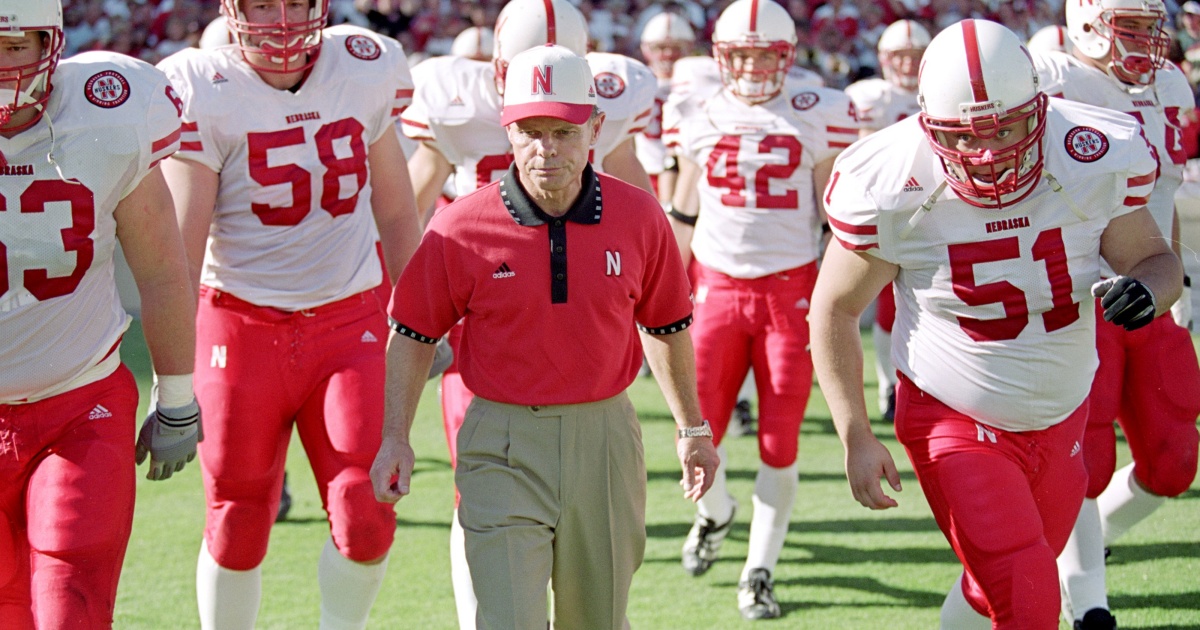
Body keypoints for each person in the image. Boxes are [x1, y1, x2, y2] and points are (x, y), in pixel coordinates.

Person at [810, 19, 1184, 630]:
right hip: (952, 416)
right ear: (930, 125)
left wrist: (1148, 289)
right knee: (1030, 594)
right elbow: (835, 308)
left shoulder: (1089, 152)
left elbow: (1155, 259)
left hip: (1060, 412)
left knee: (997, 589)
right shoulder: (892, 181)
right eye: (963, 137)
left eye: (1006, 128)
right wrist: (855, 431)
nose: (987, 155)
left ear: (1039, 107)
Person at [371, 44, 721, 630]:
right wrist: (394, 438)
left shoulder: (639, 216)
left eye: (563, 130)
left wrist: (692, 429)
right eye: (530, 131)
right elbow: (411, 333)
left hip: (605, 436)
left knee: (600, 621)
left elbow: (665, 325)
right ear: (507, 132)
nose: (546, 148)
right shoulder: (460, 226)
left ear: (595, 128)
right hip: (501, 441)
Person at [156, 1, 422, 628]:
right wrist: (172, 382)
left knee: (368, 505)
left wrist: (418, 319)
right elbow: (181, 254)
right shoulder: (203, 87)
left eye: (295, 2)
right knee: (238, 513)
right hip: (240, 323)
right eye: (261, 5)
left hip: (347, 319)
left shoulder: (363, 66)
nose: (280, 20)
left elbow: (398, 212)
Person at [398, 0, 657, 625]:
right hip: (483, 309)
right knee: (481, 486)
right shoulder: (454, 100)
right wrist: (420, 303)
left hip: (569, 314)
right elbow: (413, 202)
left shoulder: (604, 110)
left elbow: (634, 198)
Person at [0, 0, 200, 627]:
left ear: (52, 44)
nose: (3, 67)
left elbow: (163, 269)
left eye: (16, 46)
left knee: (71, 605)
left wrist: (178, 397)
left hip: (78, 403)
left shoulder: (109, 112)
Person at [662, 0, 861, 619]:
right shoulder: (694, 108)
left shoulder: (818, 110)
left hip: (790, 292)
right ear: (721, 57)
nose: (751, 67)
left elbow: (836, 214)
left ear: (788, 56)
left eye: (764, 55)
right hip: (715, 288)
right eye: (740, 54)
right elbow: (685, 209)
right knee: (698, 431)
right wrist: (657, 291)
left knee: (780, 442)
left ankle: (759, 569)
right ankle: (716, 512)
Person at [1035, 1, 1200, 627]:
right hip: (1079, 298)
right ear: (1086, 23)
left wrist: (1174, 283)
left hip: (1150, 293)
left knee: (1174, 460)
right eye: (1126, 26)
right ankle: (1090, 604)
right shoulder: (1047, 77)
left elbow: (1163, 197)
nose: (1143, 41)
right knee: (1087, 459)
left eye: (1147, 27)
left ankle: (1090, 543)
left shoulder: (1170, 85)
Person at [844, 18, 930, 423]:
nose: (909, 65)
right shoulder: (869, 97)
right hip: (886, 213)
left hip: (934, 214)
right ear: (883, 59)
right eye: (901, 57)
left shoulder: (942, 91)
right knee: (884, 309)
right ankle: (888, 384)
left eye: (915, 57)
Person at [636, 9, 695, 204]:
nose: (668, 54)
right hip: (645, 173)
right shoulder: (635, 82)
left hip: (687, 174)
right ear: (647, 49)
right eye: (661, 47)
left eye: (676, 47)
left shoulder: (698, 84)